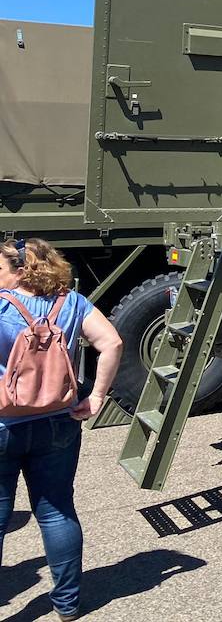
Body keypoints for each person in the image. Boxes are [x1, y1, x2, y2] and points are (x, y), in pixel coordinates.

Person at [0, 237, 122, 621]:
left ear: (21, 269)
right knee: (56, 511)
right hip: (59, 420)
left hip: (4, 423)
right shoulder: (72, 302)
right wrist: (97, 397)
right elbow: (112, 342)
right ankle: (67, 605)